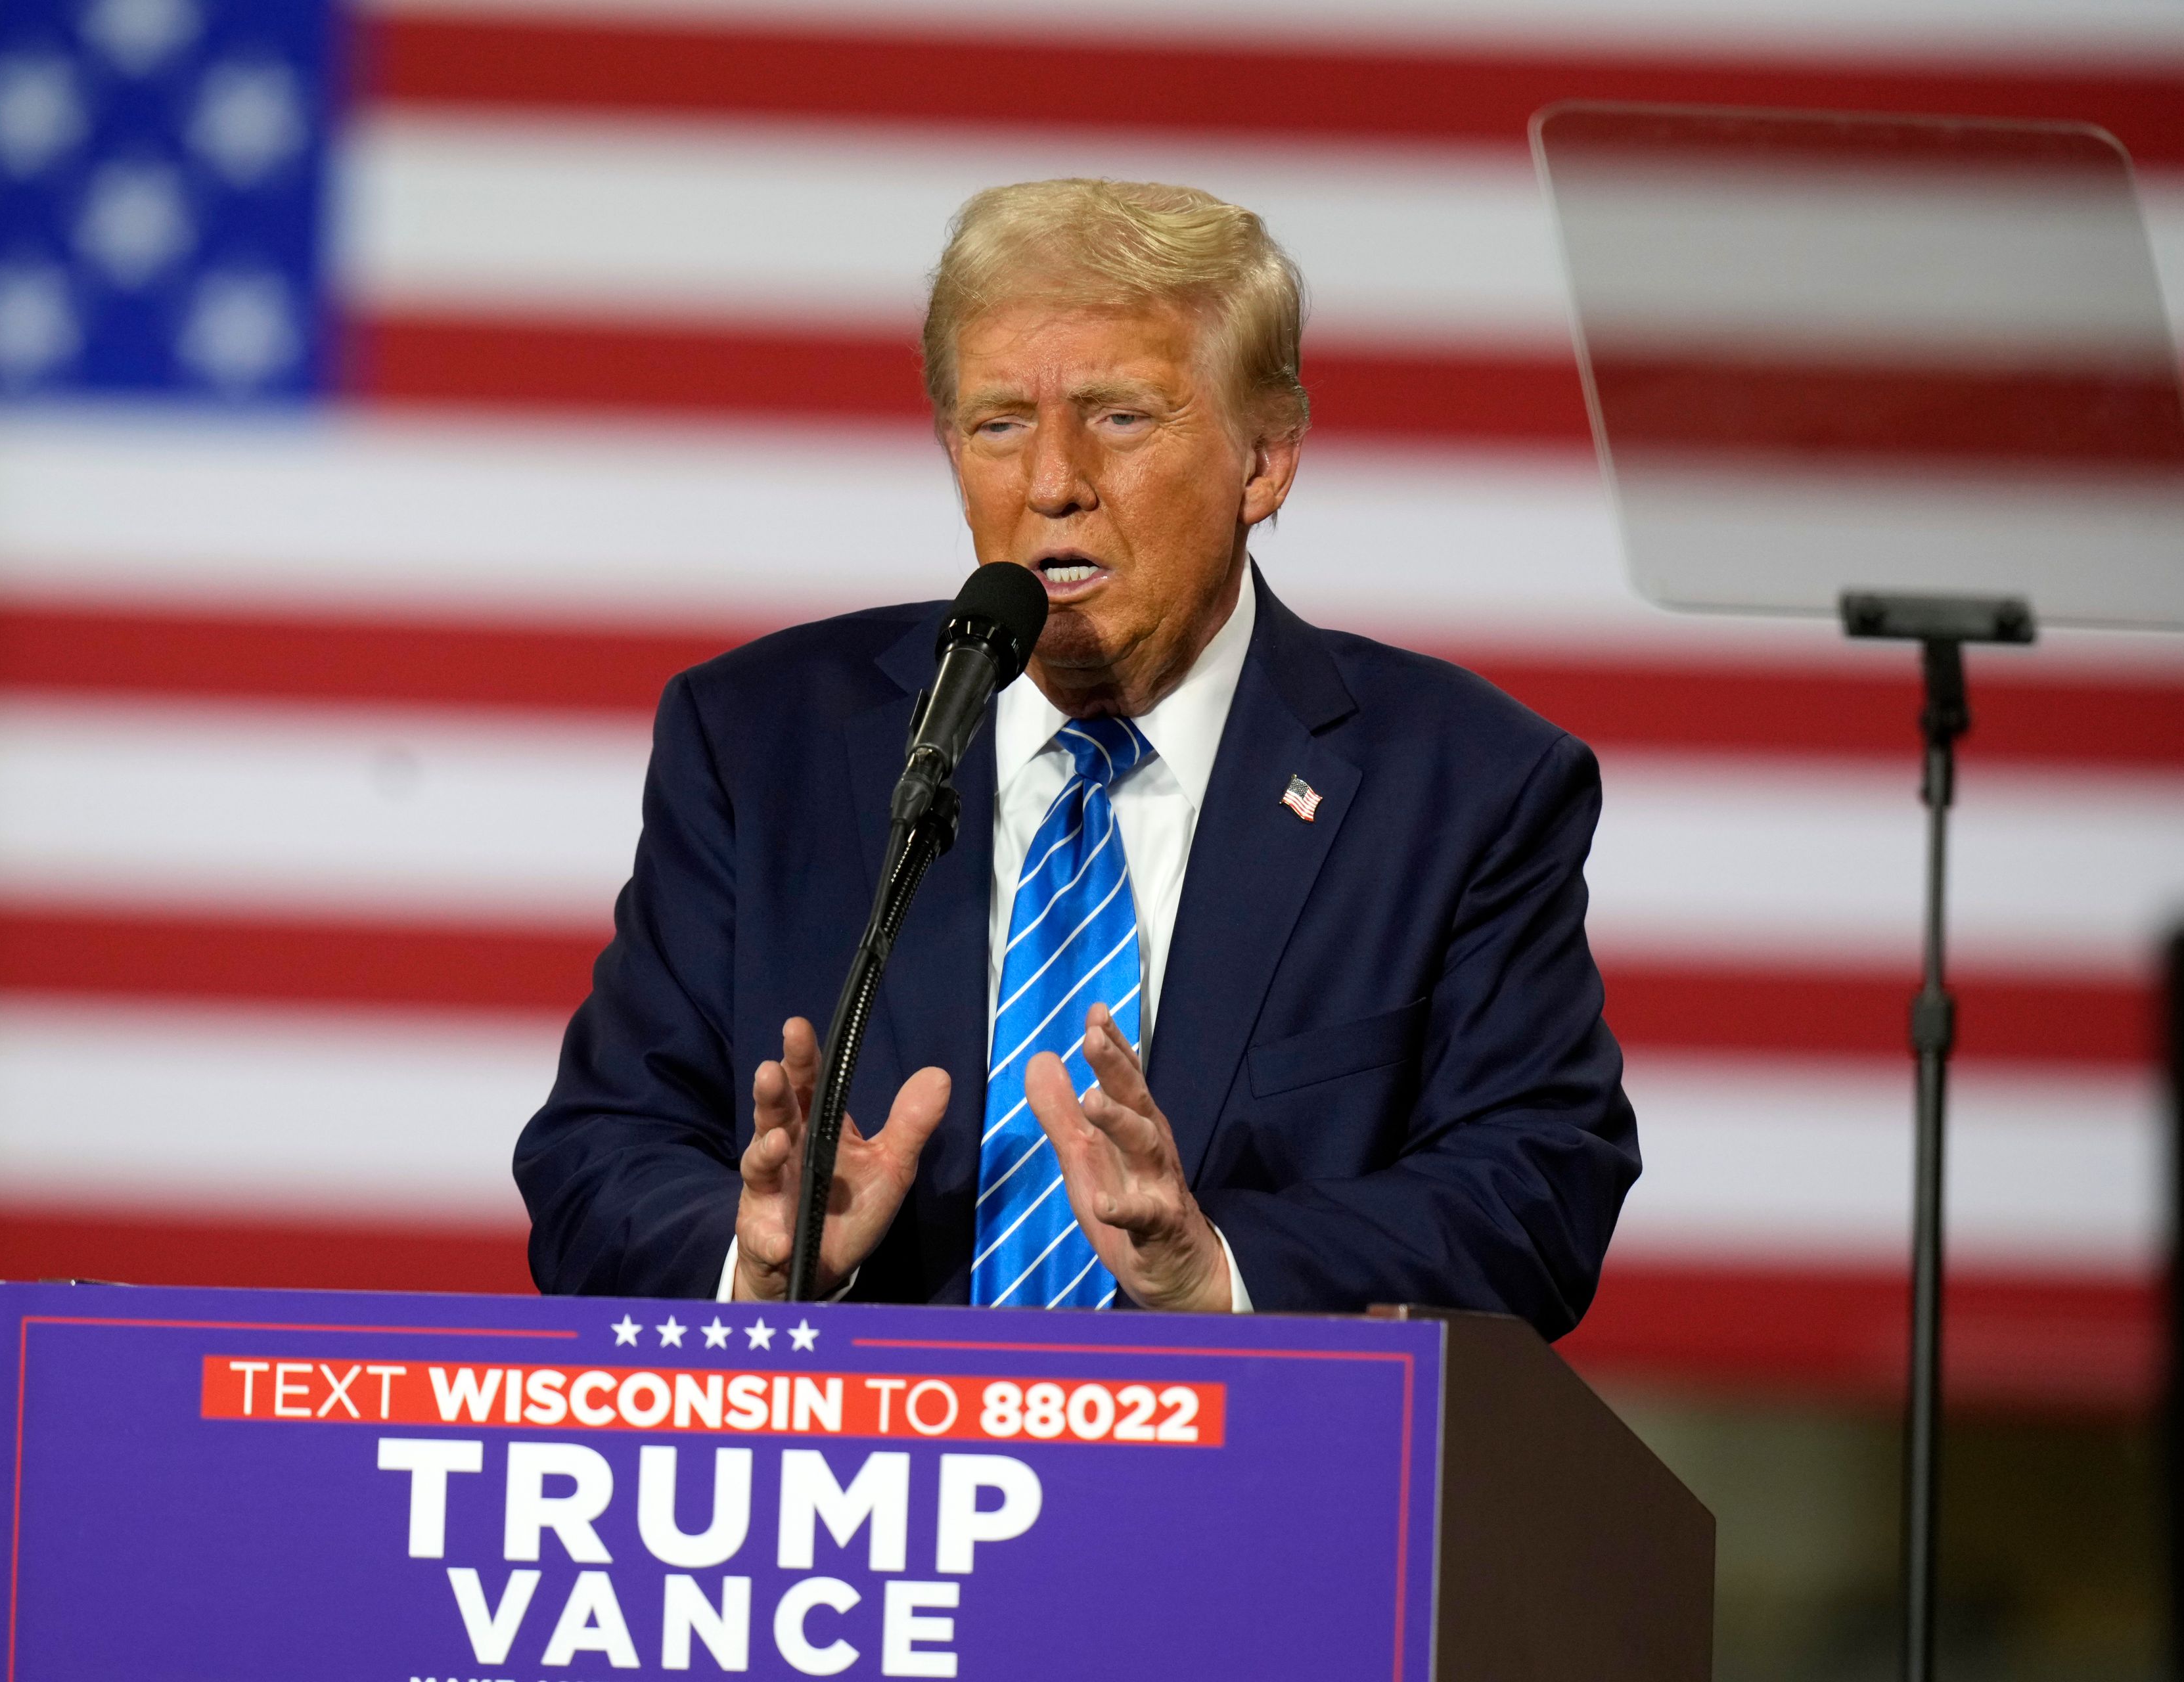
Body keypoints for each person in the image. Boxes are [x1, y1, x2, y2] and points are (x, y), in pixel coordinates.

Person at [514, 179, 1638, 1328]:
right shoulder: (759, 745)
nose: (1052, 482)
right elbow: (599, 1154)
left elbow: (1539, 1184)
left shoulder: (1461, 787)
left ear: (1266, 462)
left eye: (1120, 416)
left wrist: (1220, 1272)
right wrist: (768, 1265)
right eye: (1000, 424)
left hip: (1238, 1481)